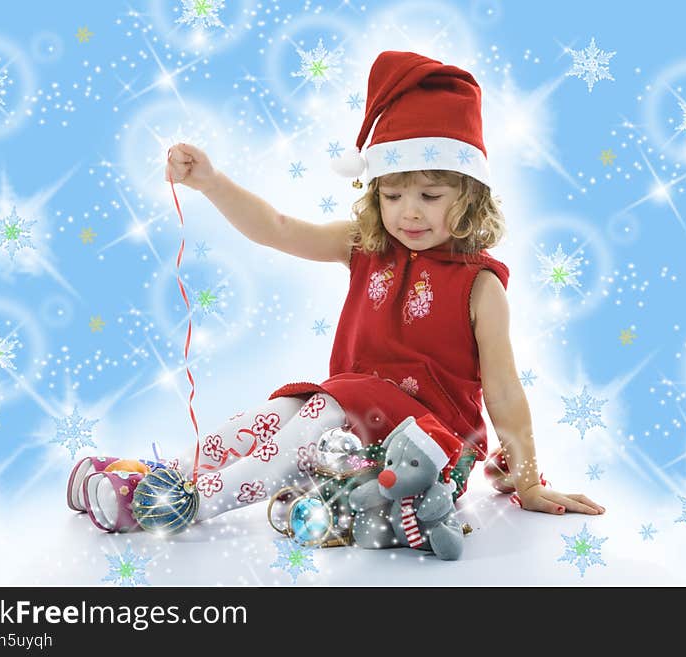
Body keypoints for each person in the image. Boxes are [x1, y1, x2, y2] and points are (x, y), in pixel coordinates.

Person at [67, 50, 604, 533]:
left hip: (420, 447)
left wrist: (528, 479)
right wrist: (212, 183)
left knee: (314, 419)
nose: (409, 211)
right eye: (392, 195)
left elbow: (505, 393)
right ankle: (150, 475)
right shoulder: (366, 247)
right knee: (281, 411)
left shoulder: (481, 286)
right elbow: (276, 227)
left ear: (470, 196)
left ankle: (173, 504)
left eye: (430, 194)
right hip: (346, 413)